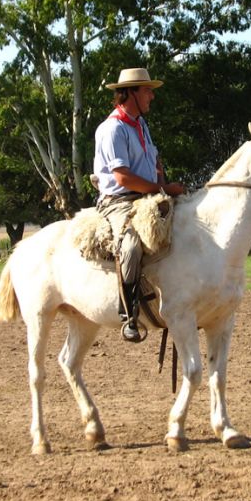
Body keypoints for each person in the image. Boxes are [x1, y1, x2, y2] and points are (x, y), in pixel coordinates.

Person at [93, 68, 184, 342]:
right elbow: (122, 177)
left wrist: (165, 189)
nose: (152, 96)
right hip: (118, 201)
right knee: (131, 243)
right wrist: (164, 189)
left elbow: (154, 164)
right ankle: (129, 313)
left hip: (147, 196)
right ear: (131, 93)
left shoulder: (140, 125)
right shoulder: (112, 129)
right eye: (147, 90)